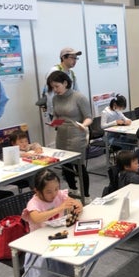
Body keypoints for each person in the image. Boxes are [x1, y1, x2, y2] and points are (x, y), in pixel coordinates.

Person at [21, 169, 83, 277]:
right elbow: (36, 218)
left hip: (60, 240)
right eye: (49, 191)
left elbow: (76, 204)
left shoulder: (59, 194)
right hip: (40, 247)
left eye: (56, 188)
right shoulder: (34, 203)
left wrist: (77, 206)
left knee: (77, 269)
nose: (54, 194)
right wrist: (60, 208)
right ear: (37, 191)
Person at [47, 70, 92, 198]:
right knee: (65, 163)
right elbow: (56, 115)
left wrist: (84, 125)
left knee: (79, 165)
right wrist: (53, 123)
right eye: (53, 87)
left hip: (76, 133)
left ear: (65, 83)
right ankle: (73, 189)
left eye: (57, 86)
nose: (55, 90)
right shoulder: (55, 98)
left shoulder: (79, 97)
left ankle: (86, 195)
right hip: (61, 134)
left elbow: (89, 117)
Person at [43, 48, 81, 119]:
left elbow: (77, 92)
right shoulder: (55, 71)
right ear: (63, 58)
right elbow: (50, 93)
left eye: (76, 58)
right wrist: (54, 113)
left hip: (68, 110)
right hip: (58, 112)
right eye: (72, 58)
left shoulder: (71, 73)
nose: (75, 61)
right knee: (60, 126)